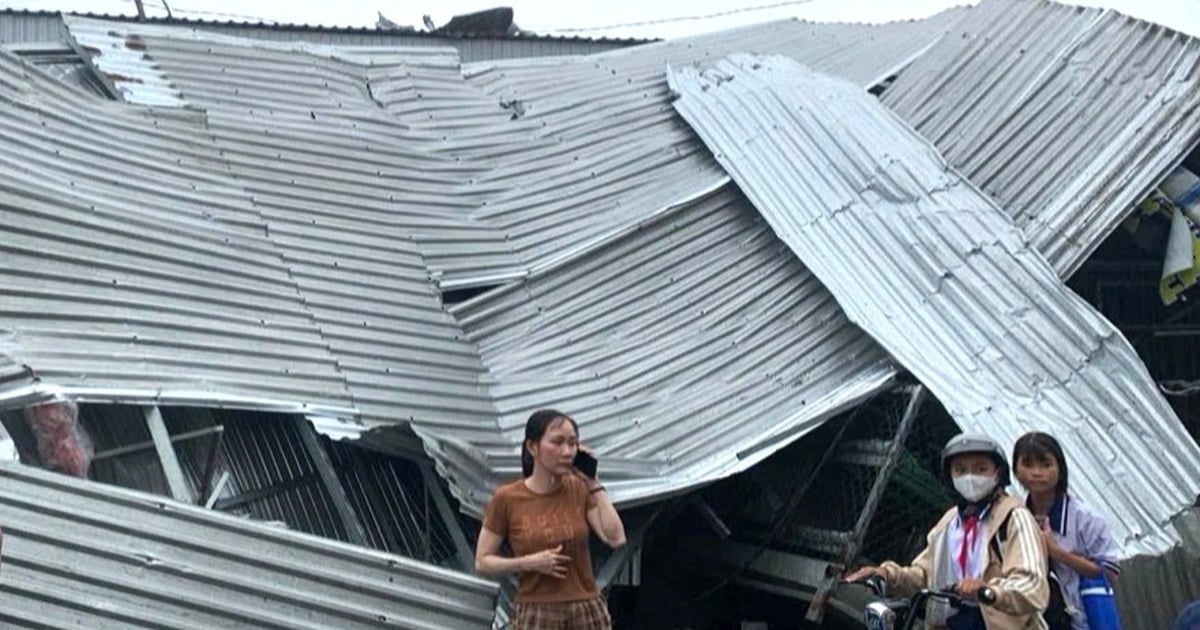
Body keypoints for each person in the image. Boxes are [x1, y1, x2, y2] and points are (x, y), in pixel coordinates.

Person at [845, 433, 1049, 629]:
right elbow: (925, 575)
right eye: (960, 470)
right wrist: (886, 574)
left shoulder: (1014, 517)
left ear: (998, 472)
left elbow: (1031, 583)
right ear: (950, 475)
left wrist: (989, 591)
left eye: (980, 469)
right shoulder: (951, 521)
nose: (970, 478)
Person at [474, 409, 626, 630]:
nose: (567, 451)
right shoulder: (507, 498)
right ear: (532, 447)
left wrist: (594, 484)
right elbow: (482, 561)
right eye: (557, 442)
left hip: (586, 607)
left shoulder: (580, 489)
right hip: (537, 611)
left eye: (573, 444)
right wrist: (528, 563)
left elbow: (616, 538)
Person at [1013, 432, 1121, 630]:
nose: (1036, 473)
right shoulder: (1014, 517)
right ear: (1016, 471)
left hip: (1081, 621)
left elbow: (1110, 573)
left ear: (1060, 469)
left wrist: (1057, 553)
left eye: (1045, 464)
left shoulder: (1086, 519)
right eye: (1027, 465)